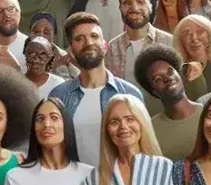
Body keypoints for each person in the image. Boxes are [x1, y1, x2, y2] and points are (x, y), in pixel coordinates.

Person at [49, 12, 144, 167]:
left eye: (94, 36)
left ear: (105, 46)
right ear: (71, 50)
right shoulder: (59, 96)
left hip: (121, 183)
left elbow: (143, 147)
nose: (88, 43)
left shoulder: (130, 94)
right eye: (79, 39)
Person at [135, 45, 204, 162]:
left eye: (170, 71)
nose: (167, 78)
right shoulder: (150, 130)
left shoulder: (209, 113)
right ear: (153, 91)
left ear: (179, 74)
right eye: (158, 79)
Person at [104, 0, 173, 86]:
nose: (135, 8)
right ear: (120, 9)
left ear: (150, 7)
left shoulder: (169, 43)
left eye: (140, 2)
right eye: (127, 3)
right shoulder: (113, 48)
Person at [173, 15, 211, 98]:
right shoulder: (176, 73)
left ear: (210, 36)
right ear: (181, 41)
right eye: (187, 33)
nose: (194, 38)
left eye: (200, 31)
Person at [0, 0, 28, 69]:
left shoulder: (32, 46)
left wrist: (16, 67)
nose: (6, 15)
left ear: (19, 14)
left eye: (11, 9)